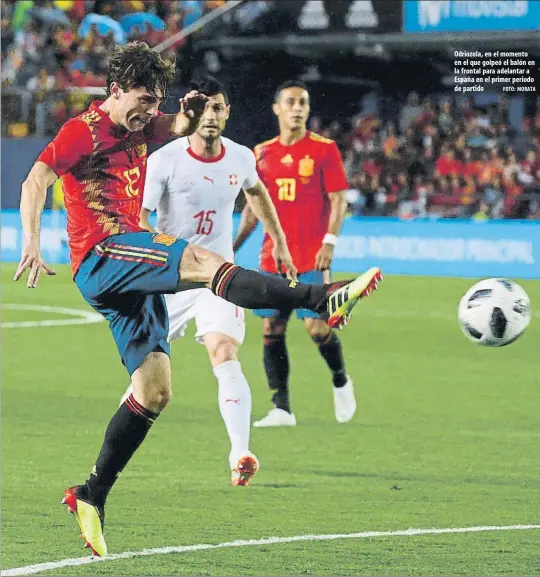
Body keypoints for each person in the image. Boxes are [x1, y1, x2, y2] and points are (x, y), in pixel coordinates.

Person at [14, 43, 381, 557]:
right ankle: (321, 300)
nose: (148, 109)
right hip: (104, 252)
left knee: (155, 388)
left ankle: (91, 495)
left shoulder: (142, 126)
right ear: (116, 90)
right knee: (208, 263)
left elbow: (176, 129)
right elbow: (36, 178)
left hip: (127, 264)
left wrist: (185, 114)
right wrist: (29, 241)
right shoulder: (84, 131)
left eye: (156, 99)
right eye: (143, 98)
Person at [120, 76, 297, 486]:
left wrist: (280, 243)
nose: (212, 117)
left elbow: (257, 194)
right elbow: (141, 220)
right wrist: (165, 255)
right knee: (146, 381)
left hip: (217, 277)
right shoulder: (165, 160)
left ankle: (240, 453)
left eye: (219, 108)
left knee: (224, 351)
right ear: (192, 112)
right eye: (205, 109)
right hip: (170, 280)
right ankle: (114, 458)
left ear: (228, 112)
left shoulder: (239, 157)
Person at [234, 80, 361, 427]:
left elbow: (338, 199)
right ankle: (281, 409)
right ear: (277, 108)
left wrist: (329, 242)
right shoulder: (261, 153)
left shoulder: (323, 149)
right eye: (290, 102)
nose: (297, 108)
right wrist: (229, 248)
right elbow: (251, 209)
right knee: (272, 328)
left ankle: (340, 380)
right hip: (271, 258)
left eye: (303, 103)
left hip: (309, 257)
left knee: (318, 330)